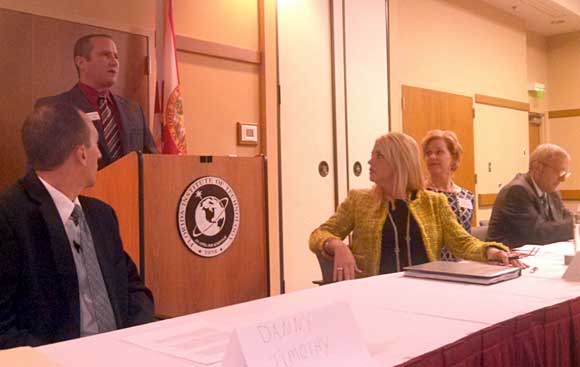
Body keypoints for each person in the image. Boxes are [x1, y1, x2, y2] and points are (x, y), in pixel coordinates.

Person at [0, 103, 155, 349]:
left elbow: (134, 290)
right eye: (95, 144)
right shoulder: (9, 217)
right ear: (81, 153)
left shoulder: (101, 215)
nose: (100, 154)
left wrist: (134, 343)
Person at [309, 132, 523, 282]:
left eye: (378, 156)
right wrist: (338, 246)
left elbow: (462, 243)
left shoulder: (433, 202)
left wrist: (492, 251)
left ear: (399, 162)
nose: (369, 162)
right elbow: (319, 234)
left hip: (424, 291)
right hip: (374, 293)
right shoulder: (359, 200)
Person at [36, 34, 157, 169]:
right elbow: (42, 168)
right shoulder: (53, 109)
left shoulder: (134, 111)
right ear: (81, 62)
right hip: (82, 190)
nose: (114, 62)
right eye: (105, 55)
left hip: (132, 189)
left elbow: (152, 161)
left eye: (116, 56)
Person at [487, 144, 573, 247]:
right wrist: (575, 226)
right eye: (560, 172)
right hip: (504, 258)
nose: (562, 179)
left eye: (565, 174)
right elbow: (538, 233)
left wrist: (576, 221)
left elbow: (566, 219)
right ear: (538, 168)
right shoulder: (517, 191)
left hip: (537, 256)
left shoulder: (552, 192)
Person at [421, 130, 474, 261]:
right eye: (428, 153)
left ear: (454, 157)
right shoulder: (419, 194)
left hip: (463, 269)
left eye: (439, 152)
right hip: (430, 268)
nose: (432, 157)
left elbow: (466, 237)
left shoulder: (467, 196)